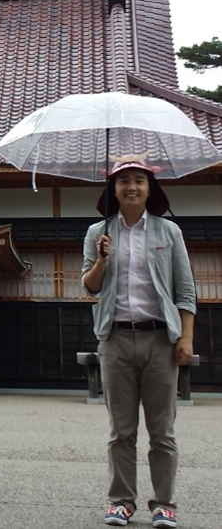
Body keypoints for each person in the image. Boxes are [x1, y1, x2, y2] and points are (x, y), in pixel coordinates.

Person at [81, 158, 196, 529]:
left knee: (162, 430)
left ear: (150, 188)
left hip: (161, 338)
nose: (131, 187)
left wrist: (186, 337)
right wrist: (101, 259)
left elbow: (185, 289)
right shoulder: (98, 232)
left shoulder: (168, 233)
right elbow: (90, 286)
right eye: (123, 181)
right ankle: (121, 501)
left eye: (139, 180)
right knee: (121, 430)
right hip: (114, 339)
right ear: (113, 190)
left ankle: (164, 504)